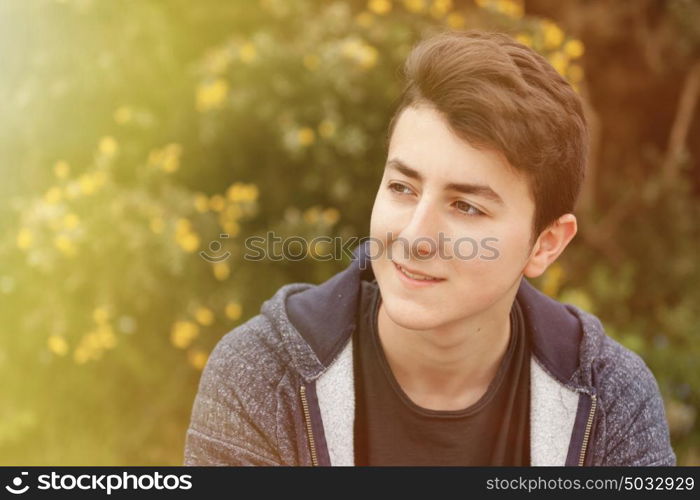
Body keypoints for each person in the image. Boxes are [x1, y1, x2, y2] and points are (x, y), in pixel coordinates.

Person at [183, 29, 675, 466]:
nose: (415, 237)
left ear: (544, 245)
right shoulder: (265, 377)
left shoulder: (609, 399)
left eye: (466, 207)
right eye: (402, 188)